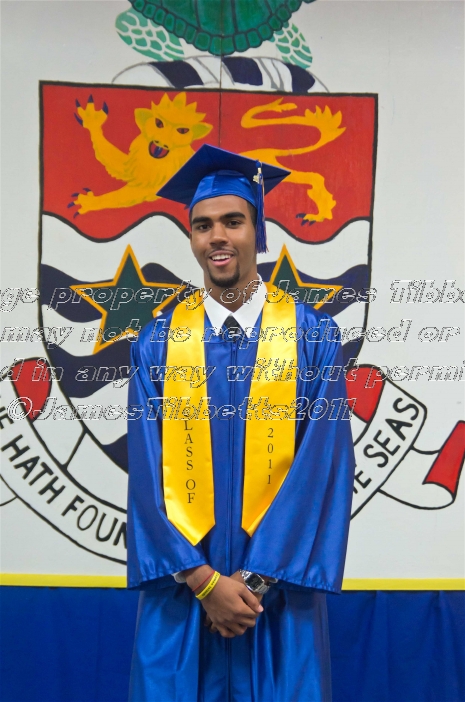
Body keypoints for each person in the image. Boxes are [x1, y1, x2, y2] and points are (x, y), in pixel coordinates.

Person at [126, 144, 355, 702]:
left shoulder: (313, 338)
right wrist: (203, 582)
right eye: (203, 226)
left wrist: (250, 585)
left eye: (233, 221)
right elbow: (146, 473)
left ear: (259, 230)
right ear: (192, 238)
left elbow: (321, 469)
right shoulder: (157, 343)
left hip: (274, 601)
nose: (217, 237)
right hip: (185, 596)